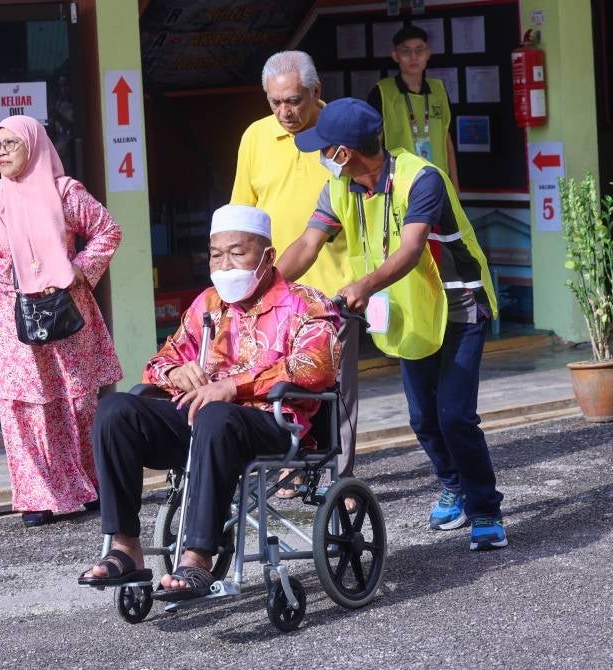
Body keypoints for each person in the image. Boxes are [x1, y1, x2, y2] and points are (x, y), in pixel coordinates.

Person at [78, 204, 341, 598]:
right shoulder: (207, 305)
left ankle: (198, 559)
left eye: (238, 253)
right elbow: (160, 361)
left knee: (217, 414)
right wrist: (173, 373)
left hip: (272, 423)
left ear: (267, 257)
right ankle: (125, 548)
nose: (225, 264)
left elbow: (315, 367)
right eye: (216, 255)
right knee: (116, 410)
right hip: (203, 423)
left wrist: (233, 386)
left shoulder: (307, 304)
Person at [278, 97, 506, 551]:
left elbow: (410, 250)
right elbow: (307, 245)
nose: (319, 155)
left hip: (458, 301)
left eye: (324, 147)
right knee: (423, 417)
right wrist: (262, 290)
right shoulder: (339, 187)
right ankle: (453, 484)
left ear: (343, 153)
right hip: (409, 307)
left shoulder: (422, 180)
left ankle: (485, 509)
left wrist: (362, 285)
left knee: (455, 416)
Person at [0, 114, 123, 527]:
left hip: (66, 311)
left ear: (33, 146)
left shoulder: (65, 193)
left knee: (79, 401)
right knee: (25, 406)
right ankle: (38, 497)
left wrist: (77, 271)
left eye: (9, 144)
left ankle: (87, 488)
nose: (0, 153)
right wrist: (26, 276)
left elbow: (108, 230)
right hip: (9, 320)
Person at [231, 50, 359, 503]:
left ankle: (339, 478)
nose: (285, 112)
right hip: (277, 288)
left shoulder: (342, 131)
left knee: (337, 386)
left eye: (294, 101)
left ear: (316, 93)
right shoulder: (255, 137)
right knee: (280, 381)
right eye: (275, 102)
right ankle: (288, 467)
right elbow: (242, 216)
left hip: (335, 282)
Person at [367, 24, 460, 191]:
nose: (413, 57)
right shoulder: (382, 92)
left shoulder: (438, 90)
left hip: (439, 180)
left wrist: (455, 187)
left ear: (428, 53)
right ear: (395, 56)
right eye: (406, 51)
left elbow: (447, 140)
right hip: (400, 184)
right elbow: (374, 143)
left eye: (419, 50)